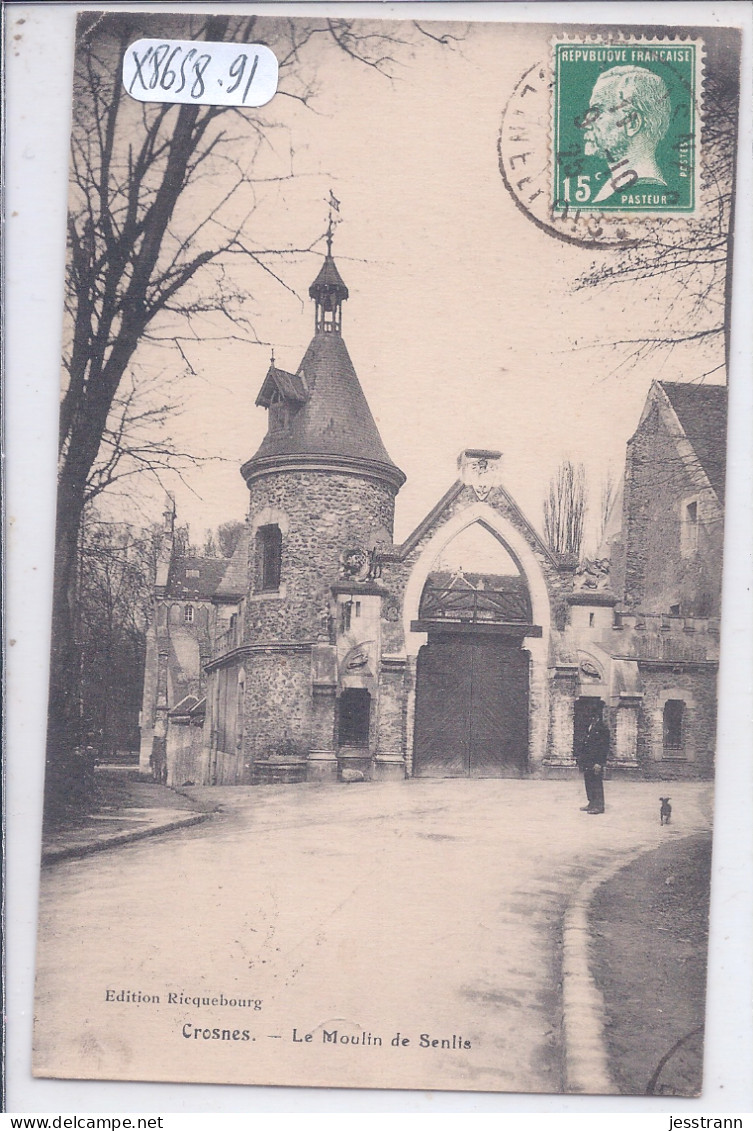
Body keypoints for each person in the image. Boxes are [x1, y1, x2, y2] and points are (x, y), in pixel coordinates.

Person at [580, 65, 671, 203]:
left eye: (597, 112)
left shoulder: (643, 190)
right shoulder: (613, 188)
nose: (585, 123)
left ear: (632, 123)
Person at [577, 708, 610, 814]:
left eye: (592, 717)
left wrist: (599, 763)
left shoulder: (602, 729)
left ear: (597, 717)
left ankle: (599, 806)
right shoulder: (590, 727)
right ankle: (591, 803)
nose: (591, 718)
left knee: (596, 783)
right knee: (589, 782)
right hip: (588, 761)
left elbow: (603, 747)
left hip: (596, 761)